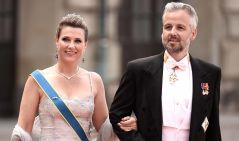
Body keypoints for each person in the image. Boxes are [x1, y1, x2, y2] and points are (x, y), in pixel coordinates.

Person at [11, 13, 137, 141]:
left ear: (85, 45)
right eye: (66, 39)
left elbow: (104, 130)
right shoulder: (37, 79)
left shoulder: (94, 80)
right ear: (56, 41)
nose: (71, 46)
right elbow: (23, 130)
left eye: (77, 41)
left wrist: (125, 124)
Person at [109, 2, 222, 141]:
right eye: (168, 27)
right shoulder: (137, 70)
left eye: (180, 27)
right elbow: (116, 115)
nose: (172, 32)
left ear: (193, 33)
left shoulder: (211, 73)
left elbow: (213, 127)